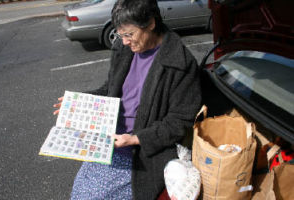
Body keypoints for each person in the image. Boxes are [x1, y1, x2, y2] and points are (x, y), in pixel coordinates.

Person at [54, 0, 201, 199]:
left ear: (150, 23)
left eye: (129, 34)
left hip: (142, 149)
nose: (124, 41)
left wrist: (134, 138)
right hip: (111, 138)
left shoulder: (180, 63)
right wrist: (78, 101)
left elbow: (180, 122)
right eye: (120, 34)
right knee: (80, 190)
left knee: (94, 195)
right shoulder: (124, 49)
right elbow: (109, 89)